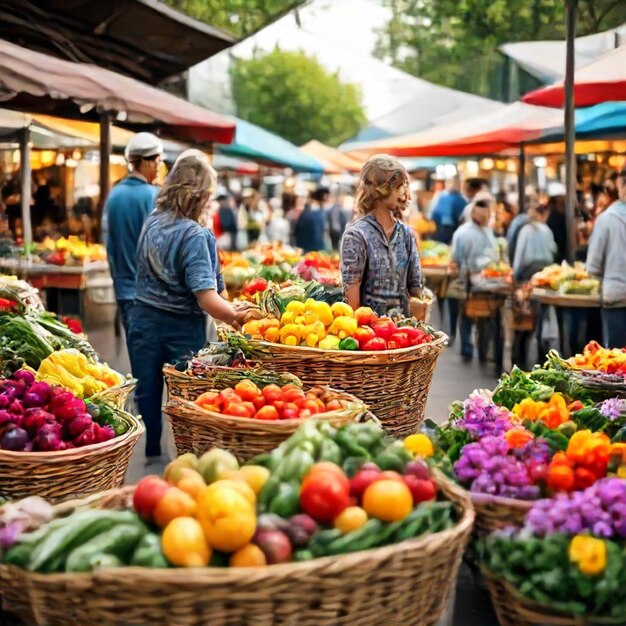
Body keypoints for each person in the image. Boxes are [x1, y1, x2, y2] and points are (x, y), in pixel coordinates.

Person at [127, 150, 248, 461]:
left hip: (141, 318)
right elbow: (208, 297)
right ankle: (187, 455)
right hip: (181, 327)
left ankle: (153, 450)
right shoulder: (196, 235)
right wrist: (234, 314)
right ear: (200, 195)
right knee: (184, 395)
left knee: (147, 390)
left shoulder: (152, 221)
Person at [340, 154, 426, 319]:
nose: (405, 193)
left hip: (403, 333)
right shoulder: (356, 234)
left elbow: (415, 284)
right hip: (371, 334)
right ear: (382, 191)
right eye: (400, 186)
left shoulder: (407, 234)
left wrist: (418, 305)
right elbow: (351, 294)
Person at [103, 132, 163, 334]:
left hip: (123, 290)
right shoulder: (152, 195)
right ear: (147, 162)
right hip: (149, 296)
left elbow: (108, 243)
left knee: (137, 353)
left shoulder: (114, 195)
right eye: (158, 161)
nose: (159, 166)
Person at [451, 200, 497, 361]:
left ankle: (476, 349)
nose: (486, 217)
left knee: (479, 315)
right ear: (475, 214)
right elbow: (456, 258)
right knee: (470, 314)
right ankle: (470, 348)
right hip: (470, 279)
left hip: (487, 279)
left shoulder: (487, 231)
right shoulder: (464, 233)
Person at [586, 168, 626, 348]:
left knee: (616, 361)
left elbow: (593, 267)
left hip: (616, 297)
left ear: (621, 187)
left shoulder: (607, 218)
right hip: (615, 295)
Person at [512, 204, 556, 282]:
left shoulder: (525, 230)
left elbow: (519, 253)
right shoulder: (547, 229)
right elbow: (553, 249)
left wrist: (514, 273)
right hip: (546, 269)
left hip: (529, 270)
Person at [430, 175, 466, 244]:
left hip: (452, 228)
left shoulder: (460, 199)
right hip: (439, 227)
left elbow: (463, 216)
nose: (452, 185)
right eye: (450, 182)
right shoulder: (440, 196)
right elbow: (433, 212)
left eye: (455, 183)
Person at [295, 187, 328, 253]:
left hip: (308, 247)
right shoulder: (320, 213)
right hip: (313, 247)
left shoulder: (306, 212)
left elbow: (298, 229)